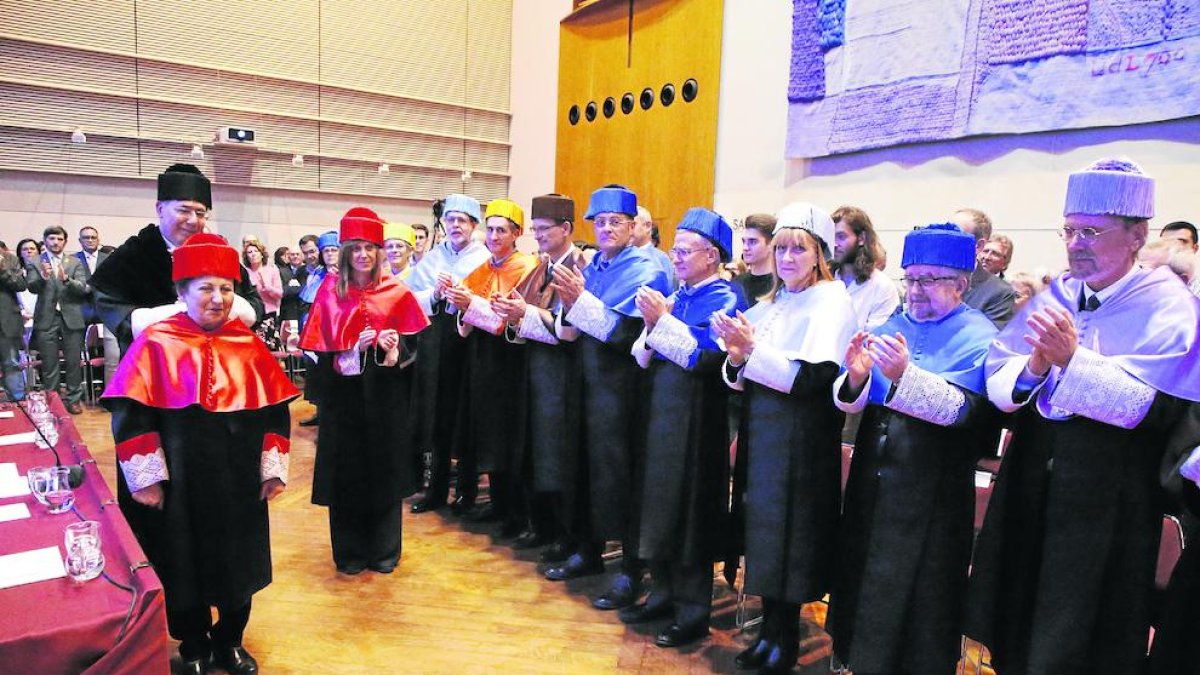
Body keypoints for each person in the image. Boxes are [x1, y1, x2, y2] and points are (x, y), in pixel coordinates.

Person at [966, 157, 1200, 675]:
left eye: (1091, 231)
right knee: (1019, 613)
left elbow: (1153, 408)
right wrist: (1035, 365)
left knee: (1080, 635)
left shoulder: (1169, 304)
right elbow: (1002, 380)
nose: (1076, 244)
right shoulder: (1061, 294)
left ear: (1137, 235)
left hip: (1108, 496)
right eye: (1069, 231)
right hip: (1034, 481)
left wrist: (1074, 361)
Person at [101, 233, 299, 675]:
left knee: (238, 559)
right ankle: (192, 643)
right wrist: (147, 477)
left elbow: (275, 416)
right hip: (180, 479)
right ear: (182, 292)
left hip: (238, 480)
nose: (218, 298)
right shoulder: (155, 342)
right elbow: (132, 417)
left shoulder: (249, 345)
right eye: (205, 288)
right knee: (181, 559)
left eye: (226, 289)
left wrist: (273, 469)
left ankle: (230, 640)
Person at [828, 223, 999, 675]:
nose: (915, 290)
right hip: (873, 479)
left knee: (923, 593)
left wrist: (906, 376)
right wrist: (858, 376)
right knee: (862, 576)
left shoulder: (978, 334)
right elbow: (850, 400)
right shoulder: (891, 325)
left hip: (932, 487)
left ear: (960, 284)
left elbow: (964, 412)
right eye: (910, 278)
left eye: (929, 280)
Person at [711, 202, 855, 674]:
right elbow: (738, 377)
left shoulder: (832, 301)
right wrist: (736, 355)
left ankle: (785, 638)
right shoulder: (770, 303)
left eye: (799, 249)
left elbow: (814, 380)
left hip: (801, 439)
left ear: (819, 255)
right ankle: (768, 630)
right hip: (763, 432)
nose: (788, 258)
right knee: (765, 534)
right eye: (782, 249)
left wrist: (751, 353)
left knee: (792, 538)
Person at [544, 185, 672, 610]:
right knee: (580, 463)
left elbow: (625, 332)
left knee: (620, 477)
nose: (606, 229)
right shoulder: (594, 265)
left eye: (616, 221)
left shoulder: (647, 269)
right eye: (599, 222)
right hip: (584, 379)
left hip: (622, 390)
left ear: (633, 226)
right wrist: (572, 303)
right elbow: (573, 324)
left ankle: (631, 571)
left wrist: (578, 301)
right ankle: (586, 548)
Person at [623, 208, 746, 648]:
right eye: (673, 249)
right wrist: (657, 324)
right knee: (657, 504)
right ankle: (662, 592)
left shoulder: (727, 299)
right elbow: (643, 352)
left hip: (697, 418)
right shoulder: (678, 293)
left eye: (684, 250)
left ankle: (693, 610)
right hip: (659, 413)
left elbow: (705, 358)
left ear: (711, 256)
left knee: (689, 511)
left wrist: (662, 323)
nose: (674, 257)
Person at [299, 207, 429, 575]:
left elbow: (414, 349)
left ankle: (385, 549)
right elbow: (321, 355)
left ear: (379, 252)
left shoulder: (396, 291)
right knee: (347, 474)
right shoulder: (328, 292)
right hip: (345, 402)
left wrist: (391, 350)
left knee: (385, 470)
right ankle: (350, 551)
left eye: (370, 248)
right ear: (345, 253)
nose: (363, 255)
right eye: (355, 248)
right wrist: (353, 350)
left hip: (387, 399)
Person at [490, 194, 590, 560]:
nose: (538, 236)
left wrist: (525, 313)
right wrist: (512, 312)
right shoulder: (540, 266)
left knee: (557, 455)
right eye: (534, 229)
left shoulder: (580, 268)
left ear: (566, 229)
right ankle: (540, 525)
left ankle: (564, 535)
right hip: (533, 370)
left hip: (561, 374)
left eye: (544, 229)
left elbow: (571, 327)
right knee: (534, 451)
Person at [90, 164, 263, 354]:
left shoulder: (216, 252)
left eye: (200, 213)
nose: (192, 220)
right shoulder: (133, 255)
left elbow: (254, 304)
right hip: (154, 363)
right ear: (160, 209)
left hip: (216, 362)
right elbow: (114, 309)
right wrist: (174, 316)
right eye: (183, 210)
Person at [444, 199, 539, 530]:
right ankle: (498, 505)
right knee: (487, 434)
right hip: (481, 362)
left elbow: (506, 319)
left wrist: (471, 305)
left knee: (507, 437)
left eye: (502, 230)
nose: (494, 236)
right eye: (491, 229)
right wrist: (462, 307)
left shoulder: (526, 266)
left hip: (510, 363)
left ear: (517, 234)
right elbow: (464, 315)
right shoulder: (483, 267)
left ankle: (516, 512)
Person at [406, 194, 490, 513]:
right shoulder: (433, 257)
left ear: (473, 225)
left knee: (466, 416)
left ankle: (467, 492)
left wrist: (463, 295)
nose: (455, 226)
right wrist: (436, 293)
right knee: (438, 415)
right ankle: (436, 491)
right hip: (436, 341)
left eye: (462, 221)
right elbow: (413, 298)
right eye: (450, 220)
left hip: (470, 342)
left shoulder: (483, 257)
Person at [26, 226, 89, 414]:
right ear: (45, 241)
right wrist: (43, 277)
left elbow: (83, 288)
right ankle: (52, 400)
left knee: (72, 362)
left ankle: (74, 399)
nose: (55, 242)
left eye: (59, 239)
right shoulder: (35, 261)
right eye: (52, 238)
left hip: (72, 317)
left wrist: (68, 280)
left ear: (65, 242)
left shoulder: (75, 262)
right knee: (49, 363)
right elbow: (31, 287)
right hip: (47, 317)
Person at [830, 206, 899, 331]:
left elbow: (875, 340)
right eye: (831, 237)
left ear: (861, 238)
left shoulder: (882, 287)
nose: (834, 244)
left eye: (841, 237)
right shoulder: (824, 280)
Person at [952, 207, 1016, 328]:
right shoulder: (925, 279)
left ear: (978, 245)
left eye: (956, 236)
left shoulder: (999, 293)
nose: (945, 241)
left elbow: (989, 343)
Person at [74, 226, 120, 383]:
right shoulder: (73, 259)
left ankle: (109, 390)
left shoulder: (109, 258)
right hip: (82, 309)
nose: (90, 240)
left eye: (93, 237)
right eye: (86, 237)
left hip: (107, 310)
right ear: (80, 241)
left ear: (98, 240)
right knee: (77, 355)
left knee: (112, 356)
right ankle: (82, 390)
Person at [243, 240, 282, 351]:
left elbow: (279, 294)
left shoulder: (272, 270)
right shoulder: (245, 272)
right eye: (250, 252)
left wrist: (268, 287)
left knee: (269, 350)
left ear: (262, 254)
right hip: (251, 316)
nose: (253, 254)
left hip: (268, 316)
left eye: (256, 251)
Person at [0, 247, 27, 401]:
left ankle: (18, 402)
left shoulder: (10, 259)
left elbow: (20, 285)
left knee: (11, 362)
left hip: (6, 320)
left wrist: (3, 270)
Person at [733, 214, 776, 307]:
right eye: (744, 241)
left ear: (771, 244)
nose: (745, 248)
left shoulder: (781, 286)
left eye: (753, 242)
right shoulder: (736, 283)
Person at [633, 205, 677, 288]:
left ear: (647, 226)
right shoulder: (620, 256)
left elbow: (666, 293)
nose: (628, 229)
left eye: (633, 224)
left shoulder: (660, 258)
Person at [14, 239, 39, 345]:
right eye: (25, 249)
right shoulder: (15, 273)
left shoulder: (46, 270)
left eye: (32, 248)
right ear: (20, 253)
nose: (29, 251)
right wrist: (22, 312)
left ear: (38, 251)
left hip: (43, 317)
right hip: (23, 319)